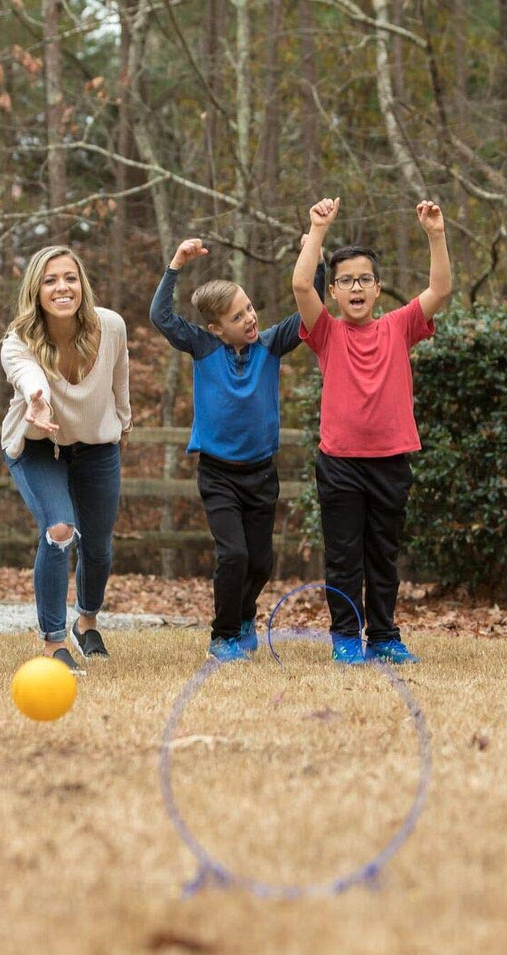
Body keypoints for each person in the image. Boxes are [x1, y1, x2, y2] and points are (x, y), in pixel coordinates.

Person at [290, 197, 452, 665]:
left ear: (378, 289)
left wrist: (435, 234)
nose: (355, 287)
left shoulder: (399, 327)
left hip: (391, 461)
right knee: (344, 557)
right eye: (345, 281)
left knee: (383, 555)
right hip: (339, 464)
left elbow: (440, 288)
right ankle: (345, 637)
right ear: (335, 292)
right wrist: (317, 229)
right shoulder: (325, 332)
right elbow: (302, 283)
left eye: (364, 279)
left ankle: (384, 636)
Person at [148, 238, 325, 663]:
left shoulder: (271, 343)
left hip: (262, 474)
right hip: (219, 474)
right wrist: (175, 264)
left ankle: (245, 616)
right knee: (234, 554)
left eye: (248, 309)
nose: (249, 318)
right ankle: (223, 635)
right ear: (215, 327)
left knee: (261, 562)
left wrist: (314, 251)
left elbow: (310, 306)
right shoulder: (203, 347)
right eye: (236, 316)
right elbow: (161, 316)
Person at [0, 245, 131, 675]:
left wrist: (123, 423)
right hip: (37, 445)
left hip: (95, 446)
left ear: (82, 284)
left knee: (98, 544)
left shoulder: (110, 326)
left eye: (70, 278)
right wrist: (37, 402)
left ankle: (86, 622)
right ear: (36, 291)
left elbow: (119, 377)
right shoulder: (18, 342)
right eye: (51, 280)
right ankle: (53, 641)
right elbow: (29, 377)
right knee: (59, 530)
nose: (62, 287)